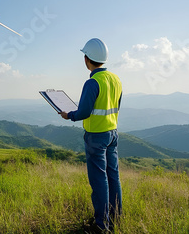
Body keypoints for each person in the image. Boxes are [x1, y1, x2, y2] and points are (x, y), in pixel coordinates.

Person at [59, 38, 122, 233]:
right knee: (113, 176)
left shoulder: (92, 82)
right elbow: (116, 106)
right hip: (112, 133)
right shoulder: (115, 79)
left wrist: (69, 115)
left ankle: (102, 226)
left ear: (87, 59)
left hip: (96, 136)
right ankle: (116, 218)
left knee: (99, 179)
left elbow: (84, 112)